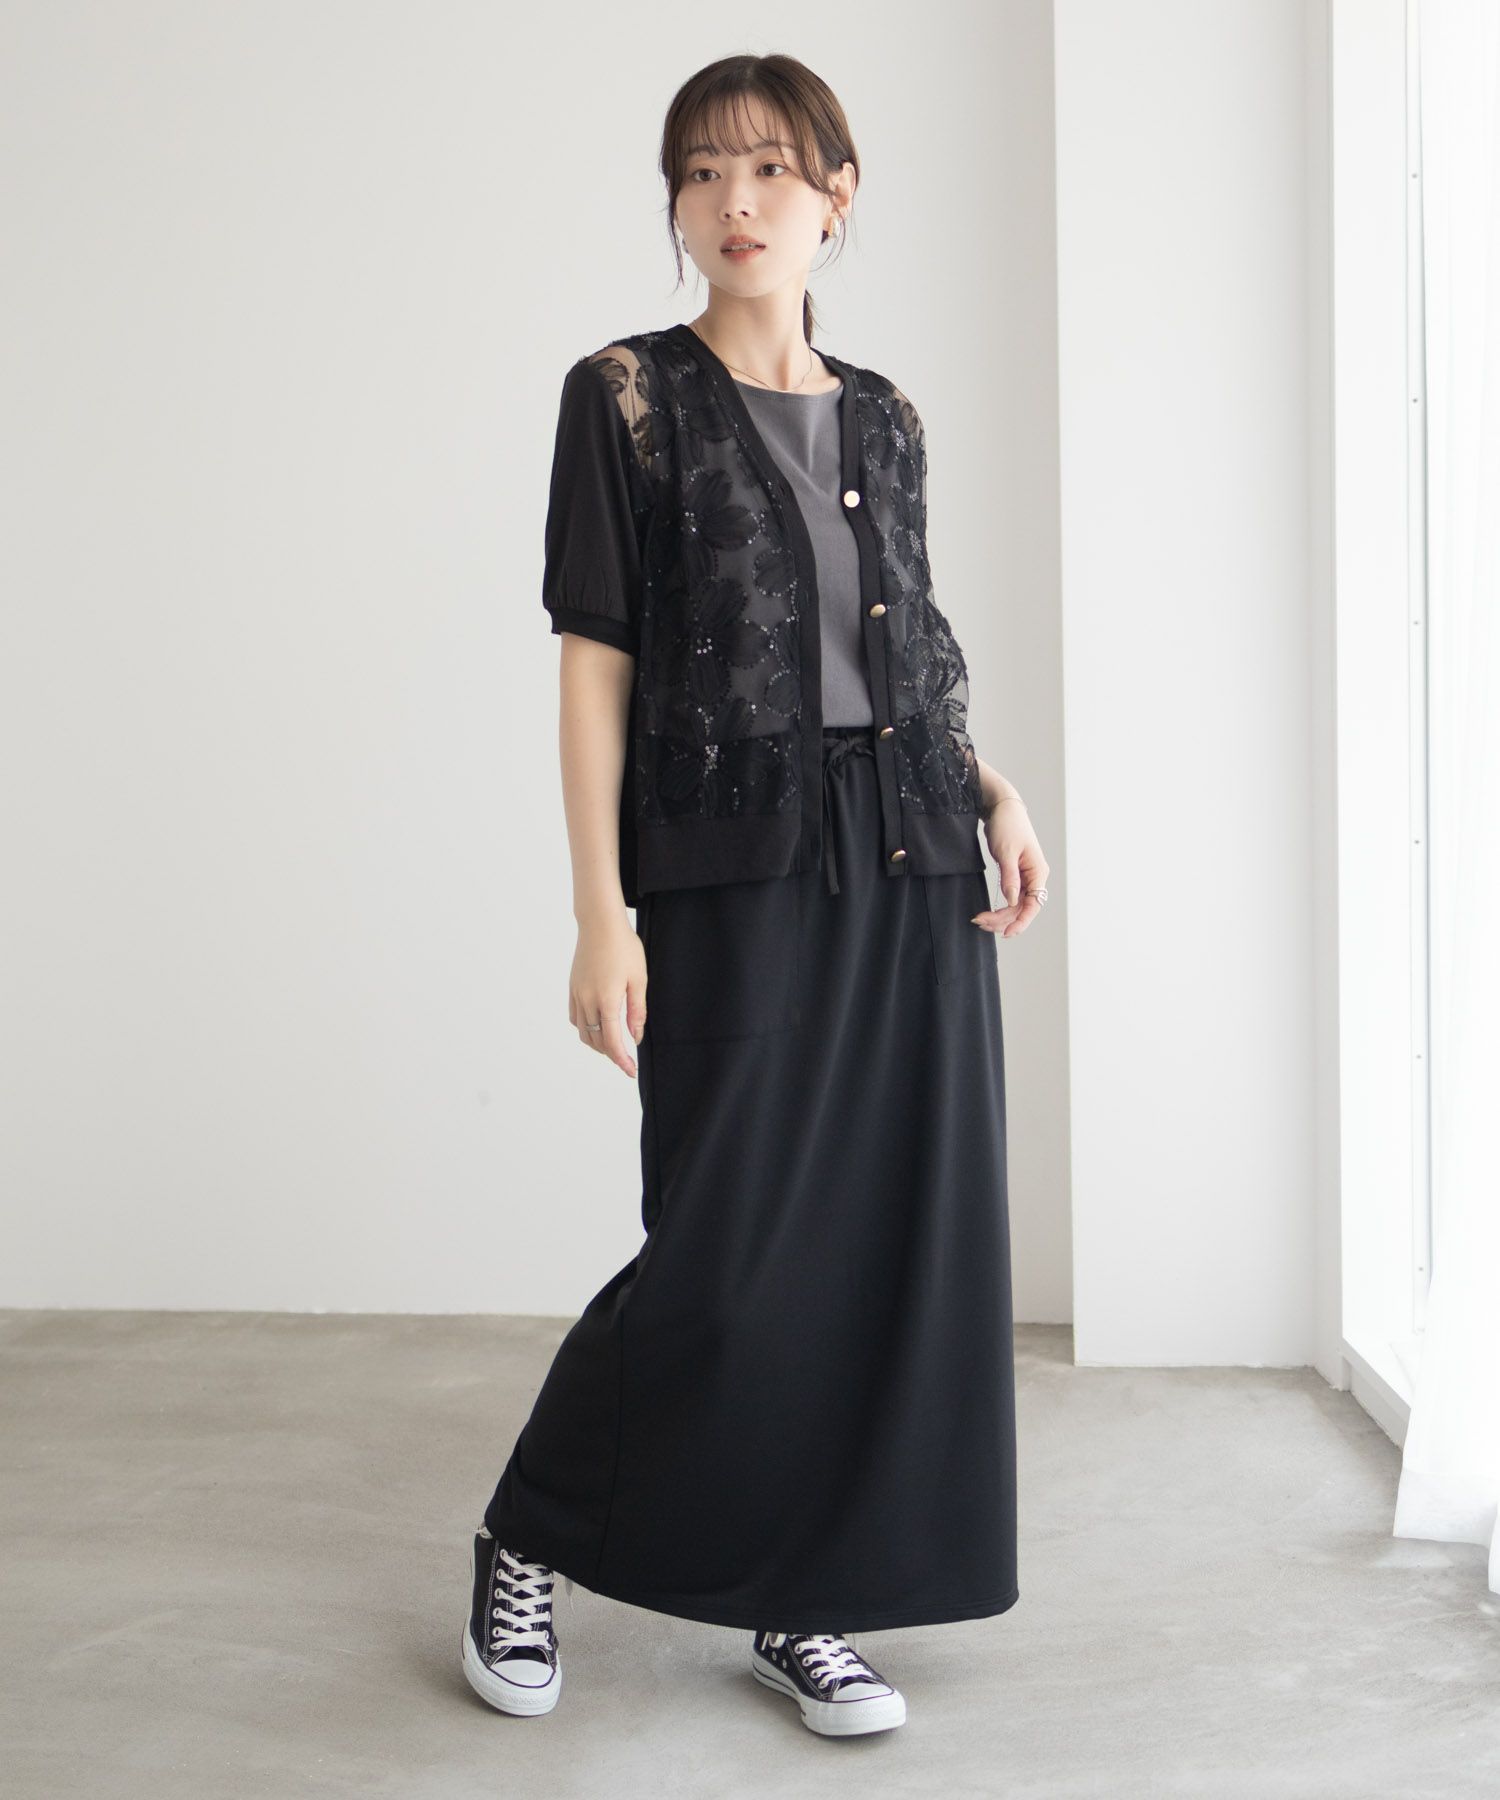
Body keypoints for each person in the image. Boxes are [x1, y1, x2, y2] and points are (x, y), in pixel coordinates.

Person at [462, 52, 1050, 1739]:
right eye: (704, 171)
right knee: (727, 1244)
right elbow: (596, 664)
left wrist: (991, 786)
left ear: (836, 197)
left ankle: (810, 1595)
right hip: (730, 859)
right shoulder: (625, 396)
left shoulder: (887, 416)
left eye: (773, 169)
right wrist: (600, 909)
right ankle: (527, 1534)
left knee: (886, 1242)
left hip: (917, 854)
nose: (736, 202)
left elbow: (905, 645)